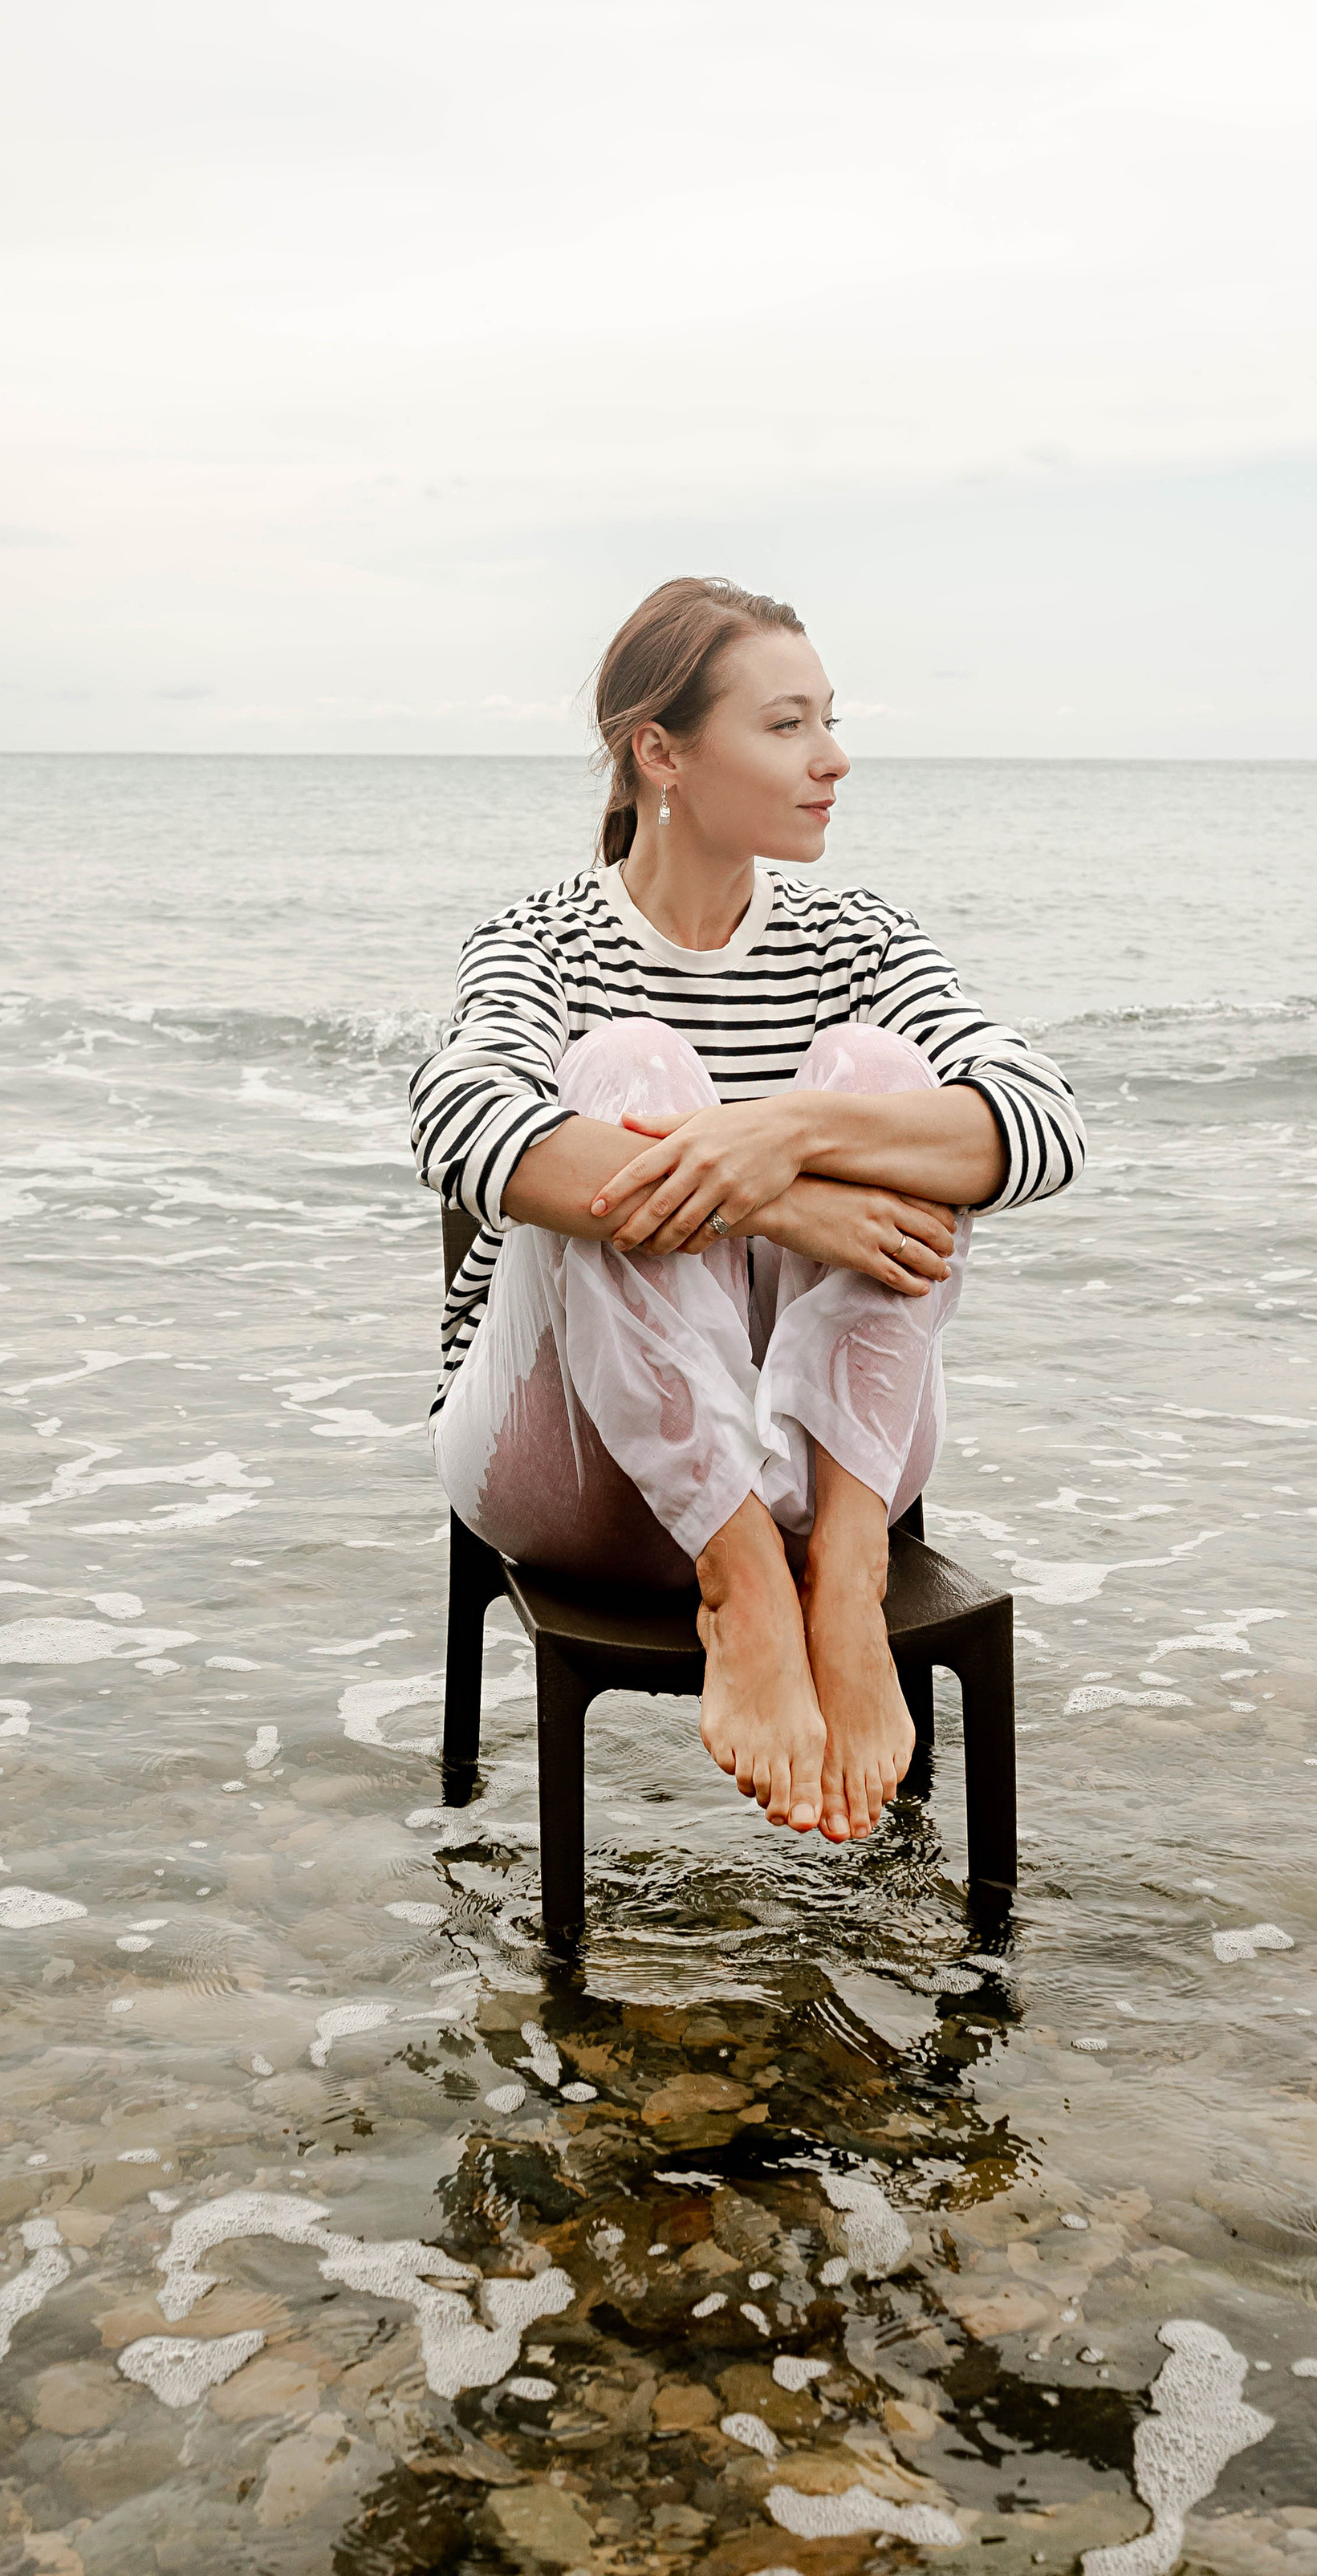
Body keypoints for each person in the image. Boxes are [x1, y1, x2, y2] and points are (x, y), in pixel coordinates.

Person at [410, 576, 1082, 1849]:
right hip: (578, 1472)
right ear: (659, 753)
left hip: (829, 1469)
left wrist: (789, 1136)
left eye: (830, 720)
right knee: (631, 1067)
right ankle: (742, 1583)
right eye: (786, 726)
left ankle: (844, 1577)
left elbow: (1041, 1121)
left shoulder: (858, 939)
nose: (832, 759)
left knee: (883, 1073)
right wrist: (792, 1210)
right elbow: (457, 1120)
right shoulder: (542, 941)